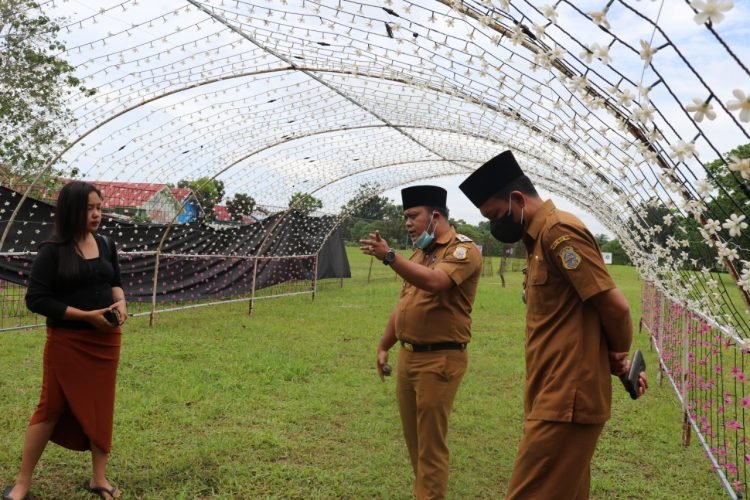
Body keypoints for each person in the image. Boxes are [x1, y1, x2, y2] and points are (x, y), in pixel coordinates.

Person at [458, 150, 647, 499]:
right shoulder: (537, 240)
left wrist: (618, 357)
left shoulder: (559, 232)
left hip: (566, 398)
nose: (494, 224)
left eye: (495, 215)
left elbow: (615, 307)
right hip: (551, 390)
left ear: (516, 198)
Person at [3, 181, 128, 500]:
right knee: (51, 407)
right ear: (71, 209)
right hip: (67, 341)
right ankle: (22, 482)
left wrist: (121, 302)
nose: (97, 214)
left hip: (106, 342)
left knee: (102, 406)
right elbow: (36, 299)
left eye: (100, 207)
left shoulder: (106, 243)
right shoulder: (52, 251)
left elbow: (114, 280)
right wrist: (86, 316)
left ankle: (99, 479)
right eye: (89, 208)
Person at [359, 185, 482, 499]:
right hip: (410, 358)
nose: (407, 223)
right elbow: (405, 304)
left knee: (430, 446)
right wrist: (385, 345)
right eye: (405, 217)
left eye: (413, 216)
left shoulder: (463, 250)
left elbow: (436, 282)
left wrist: (389, 255)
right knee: (415, 441)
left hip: (439, 361)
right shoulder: (420, 254)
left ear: (435, 215)